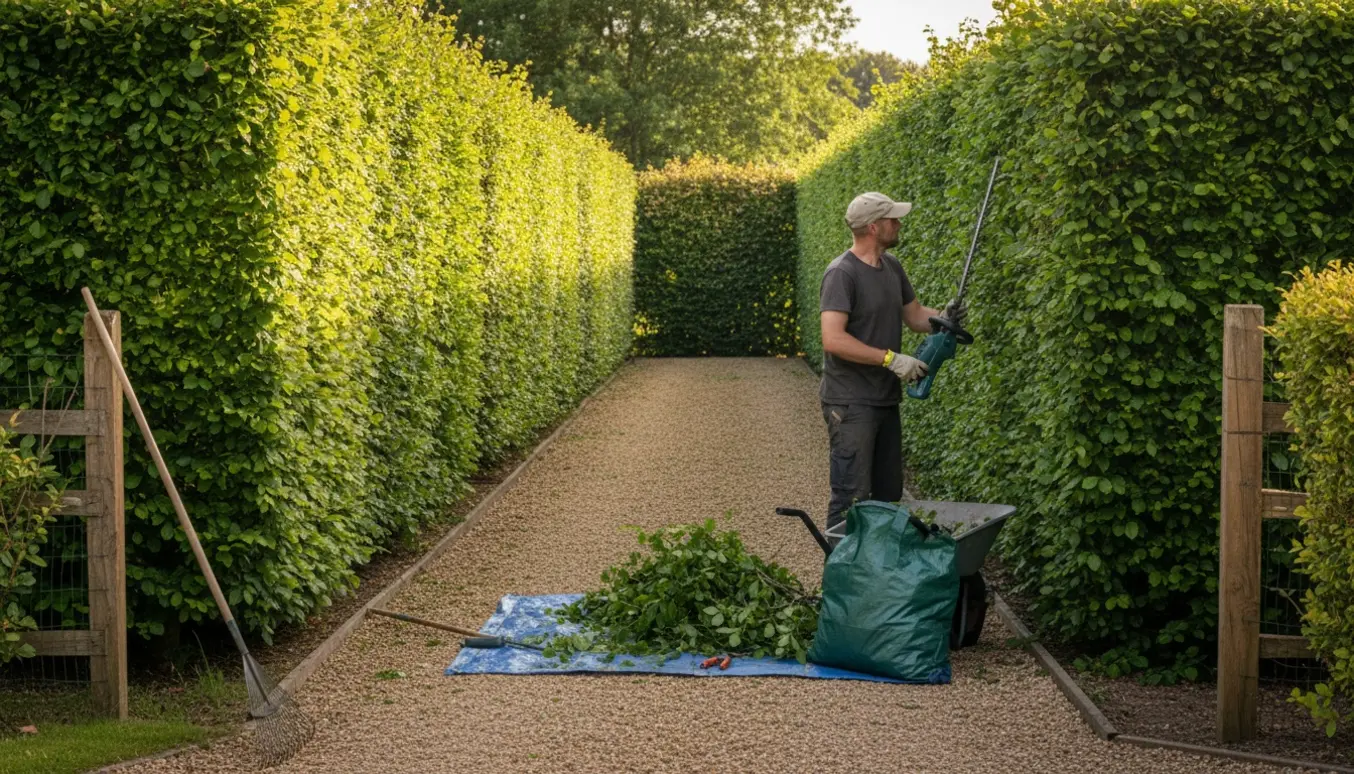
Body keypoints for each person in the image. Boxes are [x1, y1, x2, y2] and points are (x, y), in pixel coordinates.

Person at [818, 191, 965, 535]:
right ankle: (840, 569)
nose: (899, 223)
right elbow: (833, 339)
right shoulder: (842, 273)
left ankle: (876, 566)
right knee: (850, 498)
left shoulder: (892, 267)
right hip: (850, 402)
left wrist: (943, 317)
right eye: (893, 219)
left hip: (884, 399)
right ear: (873, 227)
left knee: (887, 495)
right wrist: (890, 359)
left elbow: (915, 316)